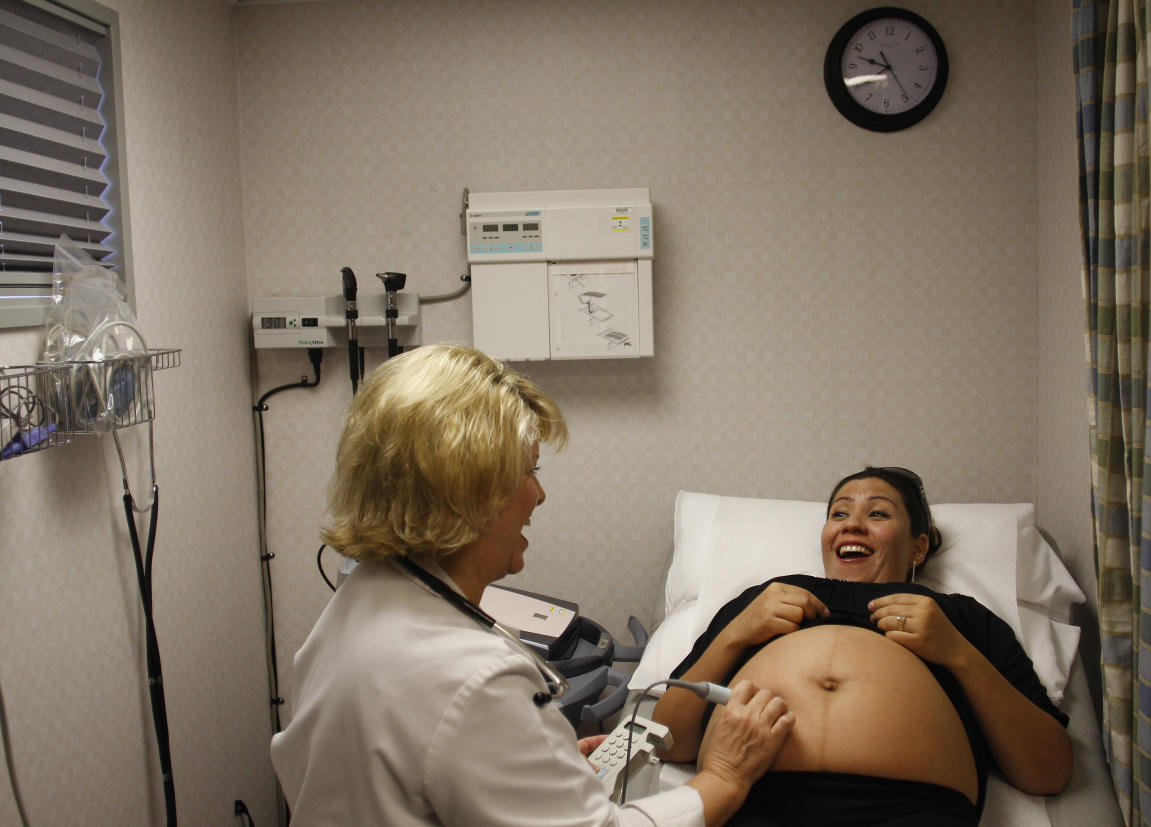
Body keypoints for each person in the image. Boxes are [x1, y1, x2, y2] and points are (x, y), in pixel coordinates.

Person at [270, 343, 795, 826]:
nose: (539, 496)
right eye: (529, 471)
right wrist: (722, 779)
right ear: (472, 491)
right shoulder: (472, 678)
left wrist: (537, 771)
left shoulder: (359, 600)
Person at [651, 467, 1073, 826]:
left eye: (877, 513)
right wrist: (735, 633)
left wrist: (958, 653)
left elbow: (1048, 771)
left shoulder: (959, 617)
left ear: (918, 546)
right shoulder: (765, 600)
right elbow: (669, 741)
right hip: (748, 797)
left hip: (912, 810)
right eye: (839, 513)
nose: (851, 524)